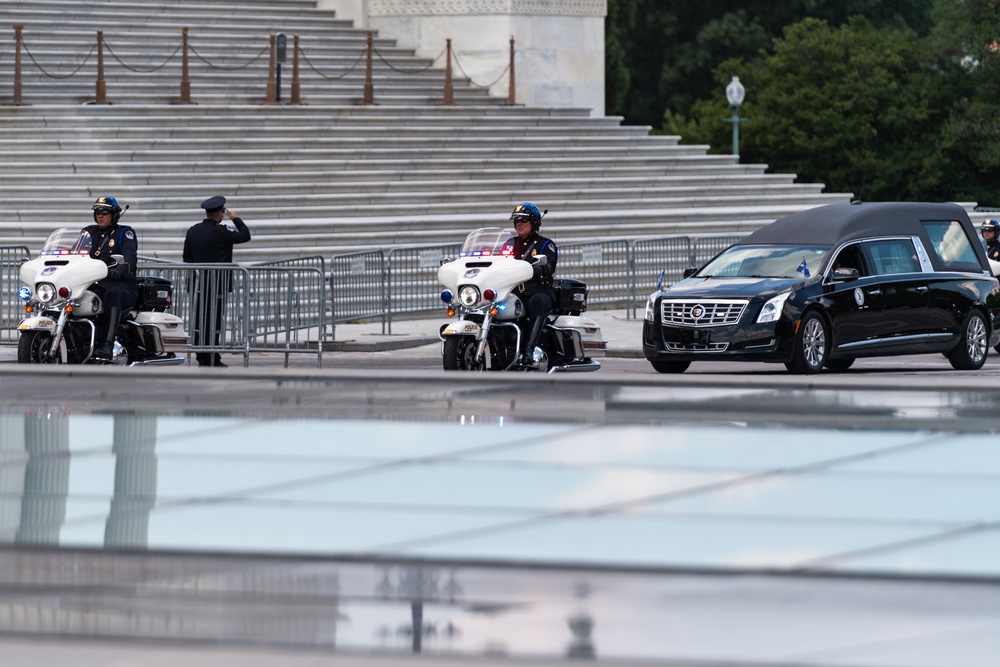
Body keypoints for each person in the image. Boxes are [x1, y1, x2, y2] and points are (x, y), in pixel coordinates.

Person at [183, 195, 251, 367]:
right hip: (217, 285)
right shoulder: (222, 231)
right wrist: (236, 218)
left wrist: (190, 284)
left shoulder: (192, 231)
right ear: (220, 214)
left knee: (199, 321)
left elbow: (187, 259)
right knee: (214, 322)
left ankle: (202, 357)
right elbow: (245, 235)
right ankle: (213, 357)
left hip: (198, 285)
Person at [83, 195, 138, 361]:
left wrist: (122, 268)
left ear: (114, 215)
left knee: (112, 294)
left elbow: (130, 257)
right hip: (94, 285)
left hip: (120, 285)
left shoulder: (124, 233)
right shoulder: (88, 232)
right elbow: (76, 253)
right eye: (97, 212)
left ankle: (107, 345)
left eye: (105, 212)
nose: (100, 215)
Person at [504, 202, 558, 369]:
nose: (519, 224)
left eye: (524, 221)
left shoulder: (545, 244)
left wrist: (540, 268)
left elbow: (550, 265)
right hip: (514, 292)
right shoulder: (509, 244)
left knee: (537, 303)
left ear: (534, 223)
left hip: (539, 290)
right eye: (517, 221)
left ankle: (528, 351)